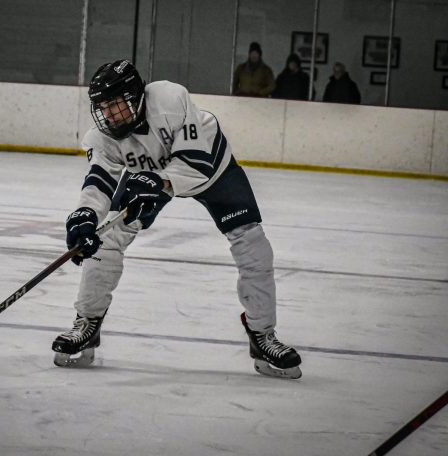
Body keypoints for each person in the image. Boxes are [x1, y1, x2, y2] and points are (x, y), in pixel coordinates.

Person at [52, 59, 302, 379]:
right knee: (107, 238)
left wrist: (161, 183)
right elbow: (99, 181)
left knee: (252, 243)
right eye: (102, 107)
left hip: (213, 170)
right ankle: (87, 322)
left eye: (114, 104)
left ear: (136, 97)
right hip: (150, 178)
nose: (109, 115)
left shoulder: (170, 99)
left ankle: (262, 334)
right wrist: (85, 217)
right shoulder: (103, 137)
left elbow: (198, 164)